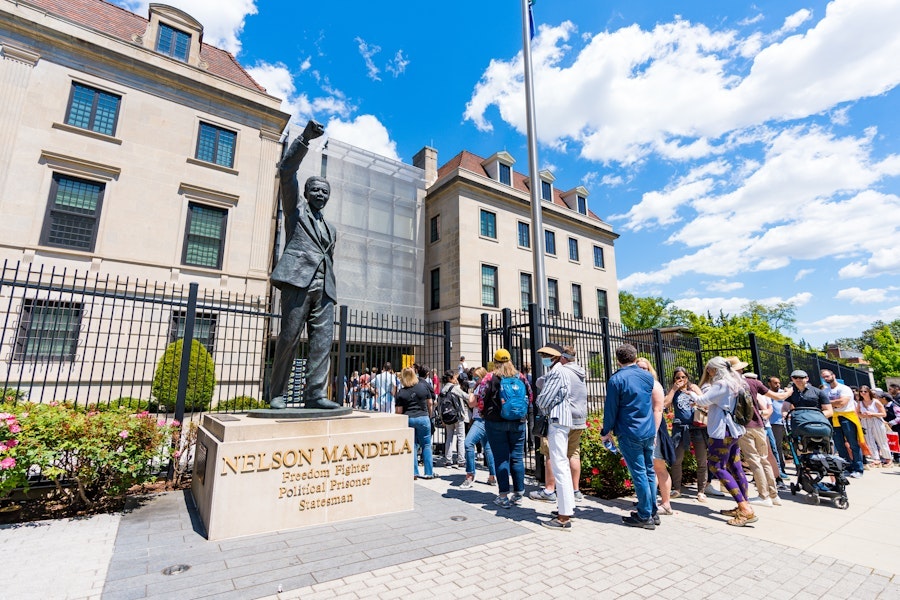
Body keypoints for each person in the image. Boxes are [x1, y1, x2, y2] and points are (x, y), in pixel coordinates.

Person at [268, 120, 341, 410]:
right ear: (307, 192)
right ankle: (277, 393)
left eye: (325, 192)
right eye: (316, 190)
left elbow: (328, 258)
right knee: (288, 338)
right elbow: (286, 171)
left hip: (325, 290)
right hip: (298, 283)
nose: (321, 195)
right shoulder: (295, 213)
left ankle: (315, 394)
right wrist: (304, 139)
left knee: (322, 344)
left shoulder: (331, 229)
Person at [685, 356, 757, 527]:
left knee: (716, 467)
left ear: (715, 369)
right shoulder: (736, 382)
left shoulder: (721, 384)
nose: (708, 372)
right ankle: (744, 504)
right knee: (735, 466)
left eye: (709, 369)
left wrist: (691, 392)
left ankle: (744, 508)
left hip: (722, 431)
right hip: (735, 430)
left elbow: (703, 400)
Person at [601, 344, 664, 530]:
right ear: (635, 357)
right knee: (649, 471)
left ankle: (645, 515)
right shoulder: (647, 377)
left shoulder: (616, 379)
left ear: (618, 359)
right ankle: (652, 511)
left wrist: (606, 431)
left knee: (639, 473)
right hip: (648, 429)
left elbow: (611, 409)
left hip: (629, 431)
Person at [532, 343, 588, 531]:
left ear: (556, 356)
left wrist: (543, 403)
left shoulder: (557, 372)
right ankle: (566, 508)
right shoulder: (565, 371)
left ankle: (564, 517)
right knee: (562, 463)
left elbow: (544, 399)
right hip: (564, 420)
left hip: (558, 420)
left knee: (559, 465)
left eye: (547, 355)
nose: (544, 359)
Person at [478, 349, 532, 509]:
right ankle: (519, 494)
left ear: (495, 362)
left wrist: (483, 412)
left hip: (495, 422)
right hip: (518, 421)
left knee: (501, 458)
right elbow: (530, 396)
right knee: (517, 457)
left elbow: (481, 397)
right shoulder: (520, 377)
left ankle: (503, 496)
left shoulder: (489, 377)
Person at [727, 357, 783, 508]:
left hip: (745, 426)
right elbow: (777, 396)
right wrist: (789, 392)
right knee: (764, 459)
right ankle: (774, 495)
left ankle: (763, 495)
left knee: (754, 460)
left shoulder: (732, 385)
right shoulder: (753, 382)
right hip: (760, 424)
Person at [635, 357, 676, 517]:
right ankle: (649, 501)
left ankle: (666, 503)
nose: (641, 370)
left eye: (644, 368)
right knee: (648, 467)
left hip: (654, 430)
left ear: (650, 370)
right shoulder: (636, 385)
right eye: (638, 368)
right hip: (642, 430)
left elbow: (658, 409)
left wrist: (654, 432)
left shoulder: (653, 385)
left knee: (658, 466)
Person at [665, 367, 710, 502]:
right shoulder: (674, 391)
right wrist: (673, 389)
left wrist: (695, 396)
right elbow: (665, 404)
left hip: (697, 427)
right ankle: (677, 489)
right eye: (677, 377)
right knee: (677, 460)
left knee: (701, 460)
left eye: (683, 377)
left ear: (687, 378)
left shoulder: (693, 387)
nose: (680, 380)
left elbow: (706, 403)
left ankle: (701, 491)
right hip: (680, 428)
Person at [821, 369, 866, 478]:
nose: (826, 379)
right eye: (824, 377)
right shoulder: (825, 391)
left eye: (827, 376)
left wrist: (828, 402)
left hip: (847, 417)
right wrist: (832, 403)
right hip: (833, 418)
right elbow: (823, 405)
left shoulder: (844, 388)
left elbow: (842, 403)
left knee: (853, 444)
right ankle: (846, 467)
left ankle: (858, 468)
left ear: (833, 375)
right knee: (839, 445)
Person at [395, 366, 434, 479]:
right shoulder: (422, 387)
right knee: (426, 445)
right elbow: (430, 403)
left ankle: (414, 472)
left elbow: (399, 411)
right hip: (423, 417)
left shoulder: (401, 392)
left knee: (412, 446)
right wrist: (429, 415)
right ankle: (428, 472)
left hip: (409, 419)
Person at [461, 367, 496, 488]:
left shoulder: (480, 387)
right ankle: (492, 476)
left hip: (480, 420)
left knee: (468, 443)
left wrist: (471, 393)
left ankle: (470, 474)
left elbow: (471, 403)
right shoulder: (489, 386)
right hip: (487, 418)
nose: (475, 379)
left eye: (476, 376)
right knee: (488, 447)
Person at [439, 370, 469, 468]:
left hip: (447, 416)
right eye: (455, 378)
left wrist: (441, 417)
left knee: (449, 438)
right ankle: (461, 460)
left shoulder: (442, 390)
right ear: (450, 379)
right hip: (457, 415)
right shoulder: (455, 388)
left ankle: (448, 460)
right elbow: (465, 396)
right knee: (461, 437)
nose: (456, 379)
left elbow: (439, 405)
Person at [858, 386, 892, 467]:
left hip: (876, 421)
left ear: (868, 392)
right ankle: (876, 459)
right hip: (865, 421)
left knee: (881, 440)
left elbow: (884, 414)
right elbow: (857, 412)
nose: (863, 393)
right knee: (869, 440)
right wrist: (863, 415)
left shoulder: (875, 401)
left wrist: (873, 414)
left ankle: (888, 458)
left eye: (865, 391)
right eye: (861, 391)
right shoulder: (860, 402)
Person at [766, 376, 790, 481]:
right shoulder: (767, 393)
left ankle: (781, 469)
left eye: (779, 383)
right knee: (773, 447)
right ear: (769, 384)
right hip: (771, 423)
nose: (778, 385)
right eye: (775, 383)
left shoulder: (782, 393)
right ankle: (777, 470)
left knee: (778, 447)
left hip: (781, 422)